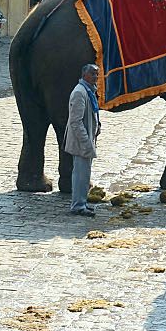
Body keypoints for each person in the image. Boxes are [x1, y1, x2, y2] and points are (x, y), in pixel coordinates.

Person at [65, 64, 102, 218]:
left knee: (84, 174)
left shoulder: (89, 91)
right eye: (93, 74)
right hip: (81, 142)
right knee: (80, 175)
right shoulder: (80, 93)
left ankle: (82, 202)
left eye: (97, 74)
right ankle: (78, 206)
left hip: (87, 140)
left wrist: (97, 126)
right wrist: (86, 141)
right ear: (84, 75)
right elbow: (75, 122)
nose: (96, 77)